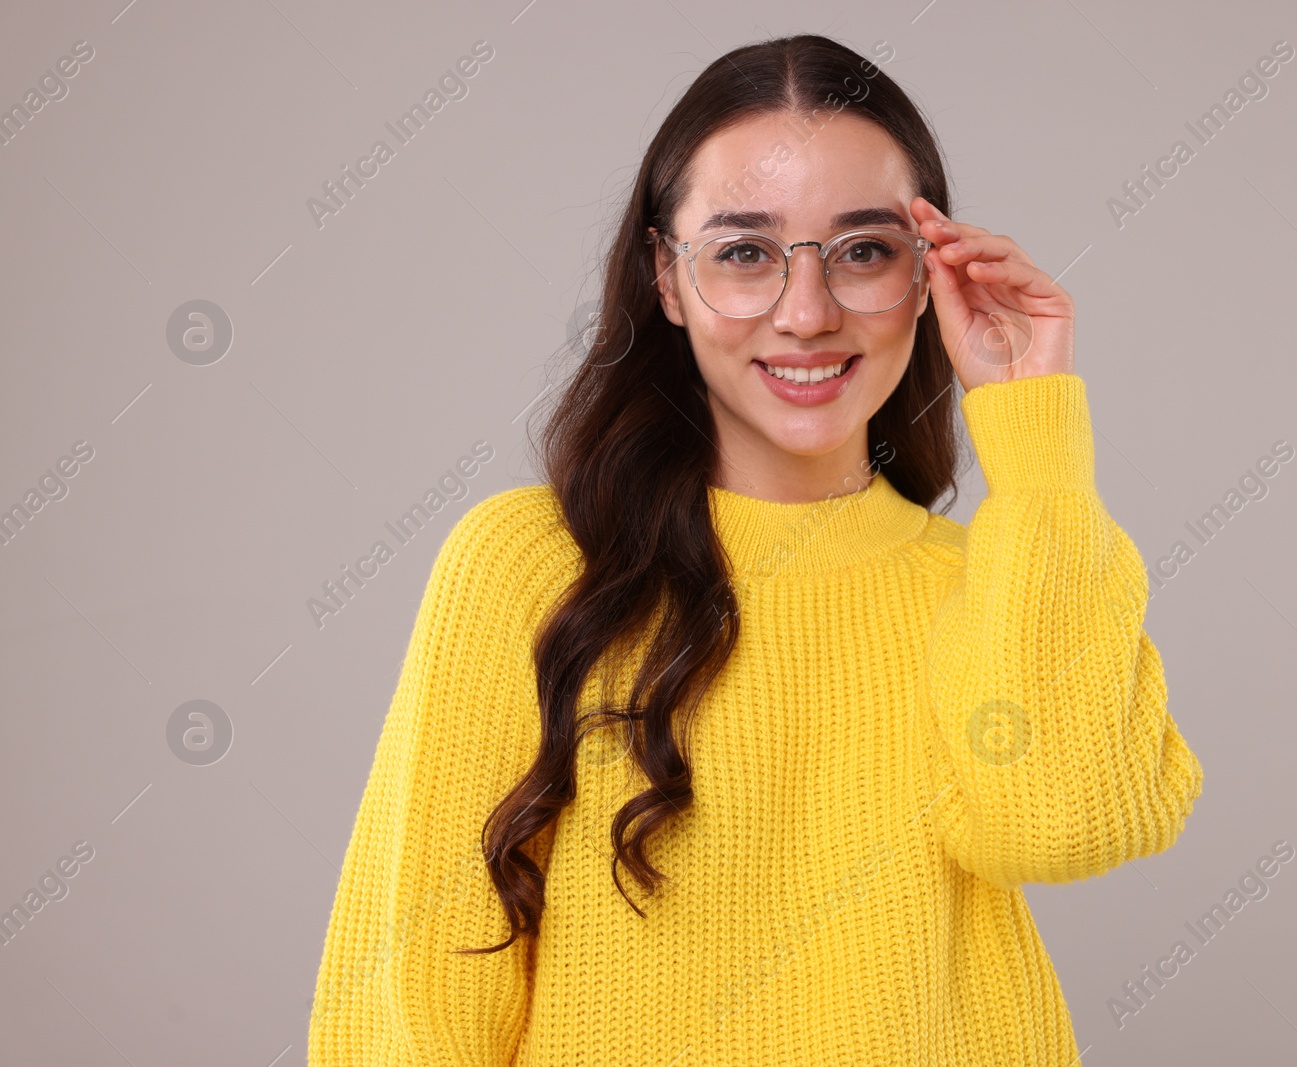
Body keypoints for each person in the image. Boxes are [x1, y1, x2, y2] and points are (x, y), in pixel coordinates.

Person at [307, 32, 1202, 1066]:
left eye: (864, 250)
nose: (807, 312)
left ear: (928, 277)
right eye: (743, 252)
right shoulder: (533, 563)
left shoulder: (990, 580)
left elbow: (1063, 826)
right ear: (667, 278)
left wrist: (1036, 440)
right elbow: (410, 991)